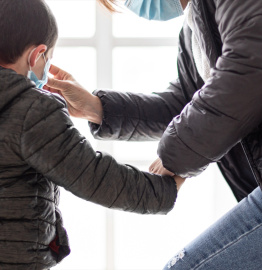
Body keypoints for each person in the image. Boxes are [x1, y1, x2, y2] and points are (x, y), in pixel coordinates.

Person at [45, 0, 262, 269]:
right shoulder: (194, 28)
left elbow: (250, 72)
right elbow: (185, 104)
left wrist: (176, 153)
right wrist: (98, 108)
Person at [0, 1, 185, 269]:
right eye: (47, 61)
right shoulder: (32, 109)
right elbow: (95, 177)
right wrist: (164, 190)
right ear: (36, 56)